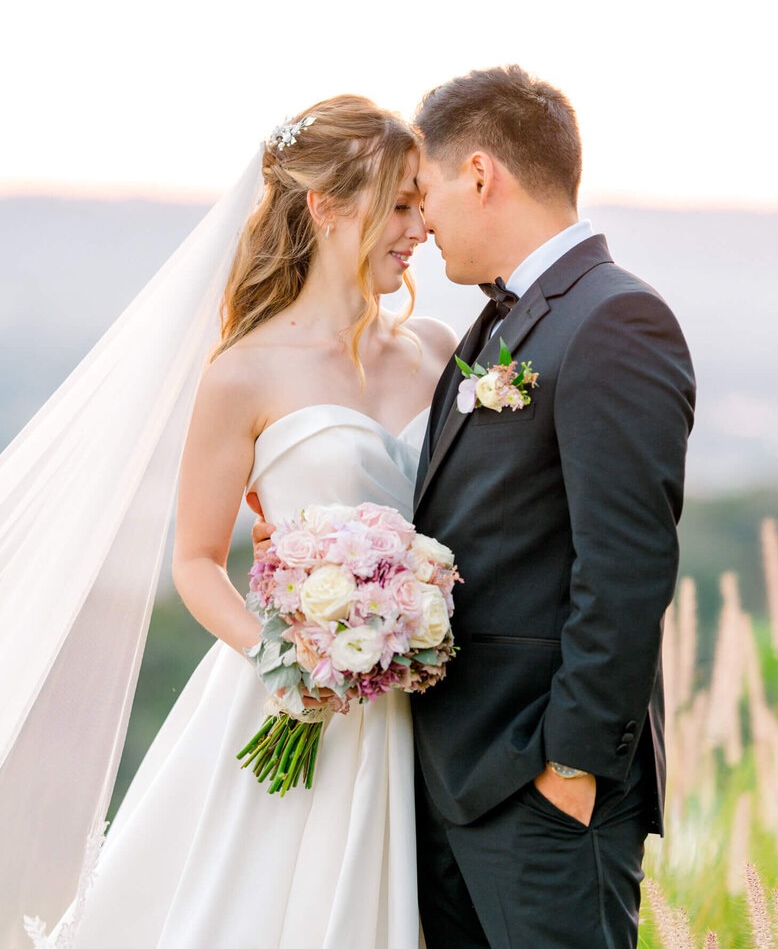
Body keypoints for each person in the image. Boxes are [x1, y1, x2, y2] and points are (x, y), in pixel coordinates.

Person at [7, 95, 457, 949]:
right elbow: (196, 561)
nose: (420, 228)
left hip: (427, 702)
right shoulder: (242, 374)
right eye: (399, 204)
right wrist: (289, 658)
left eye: (420, 203)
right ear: (325, 207)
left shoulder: (436, 349)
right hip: (294, 697)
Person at [406, 66, 696, 948]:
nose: (421, 220)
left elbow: (627, 566)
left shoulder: (616, 319)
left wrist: (570, 765)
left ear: (480, 174)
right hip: (451, 781)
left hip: (543, 791)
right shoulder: (495, 324)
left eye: (424, 191)